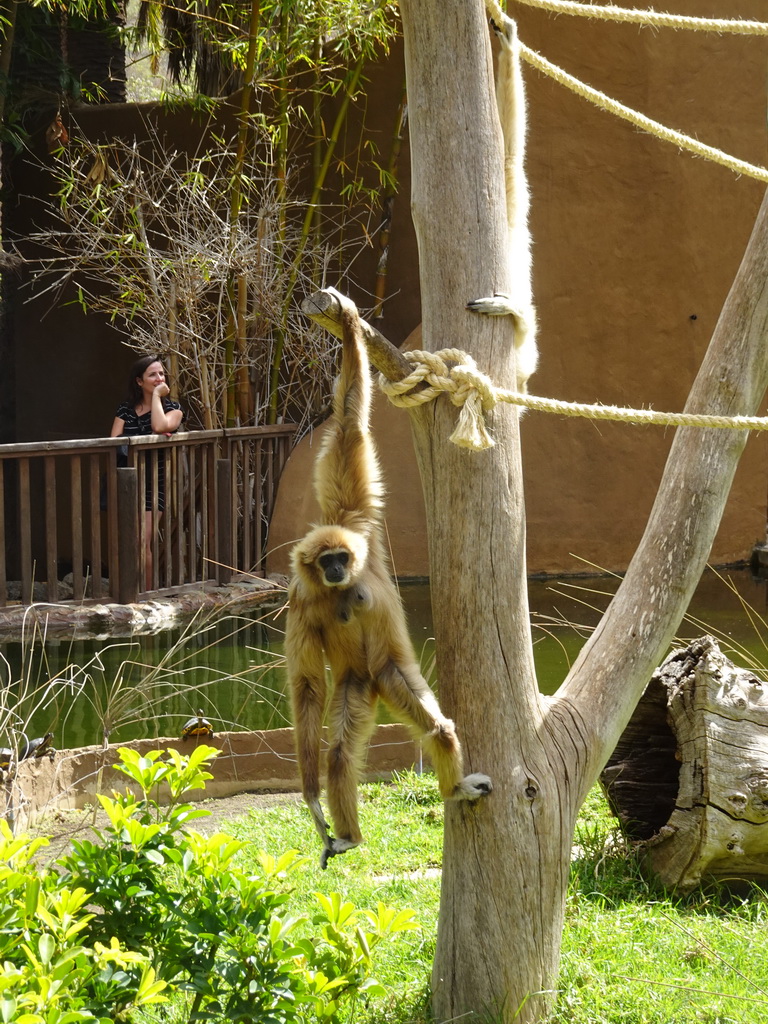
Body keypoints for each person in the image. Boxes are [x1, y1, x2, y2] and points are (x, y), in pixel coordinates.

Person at [111, 356, 184, 590]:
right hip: (126, 480)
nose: (159, 378)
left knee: (143, 541)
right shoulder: (125, 409)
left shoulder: (173, 409)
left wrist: (155, 397)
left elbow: (160, 426)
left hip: (155, 482)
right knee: (125, 542)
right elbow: (113, 441)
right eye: (152, 375)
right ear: (139, 381)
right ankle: (126, 590)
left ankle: (146, 594)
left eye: (161, 374)